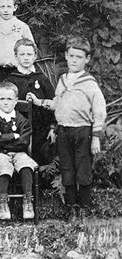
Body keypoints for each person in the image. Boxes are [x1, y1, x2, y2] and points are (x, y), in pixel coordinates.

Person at [29, 36, 106, 222]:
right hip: (64, 132)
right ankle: (71, 209)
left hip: (83, 132)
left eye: (79, 57)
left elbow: (99, 111)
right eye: (71, 56)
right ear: (66, 56)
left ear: (86, 59)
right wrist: (41, 103)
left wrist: (95, 137)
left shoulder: (90, 84)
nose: (74, 60)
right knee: (67, 170)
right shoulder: (63, 80)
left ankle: (85, 210)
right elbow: (58, 104)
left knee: (83, 170)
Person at [0, 82, 37, 220]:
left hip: (19, 153)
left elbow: (24, 141)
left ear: (16, 100)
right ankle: (3, 201)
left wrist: (2, 139)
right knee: (3, 165)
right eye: (2, 99)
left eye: (9, 99)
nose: (6, 102)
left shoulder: (22, 120)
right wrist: (14, 136)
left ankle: (27, 200)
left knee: (26, 163)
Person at [6, 39, 56, 164]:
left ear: (35, 56)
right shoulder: (11, 80)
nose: (26, 58)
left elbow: (53, 102)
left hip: (41, 130)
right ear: (16, 56)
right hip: (18, 131)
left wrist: (52, 127)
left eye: (29, 54)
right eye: (22, 54)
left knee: (42, 159)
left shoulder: (42, 78)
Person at [0, 0, 35, 83]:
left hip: (18, 70)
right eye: (2, 7)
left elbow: (32, 48)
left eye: (9, 6)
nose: (6, 10)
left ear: (15, 7)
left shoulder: (22, 27)